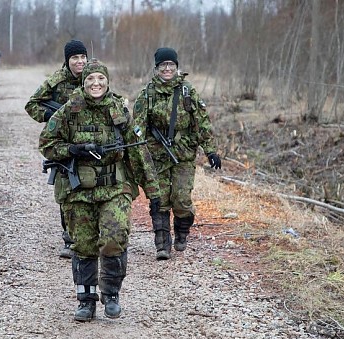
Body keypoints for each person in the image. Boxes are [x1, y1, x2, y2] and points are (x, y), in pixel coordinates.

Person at [39, 59, 160, 322]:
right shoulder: (68, 111)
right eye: (91, 80)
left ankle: (112, 294)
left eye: (101, 80)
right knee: (82, 244)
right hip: (79, 191)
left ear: (107, 82)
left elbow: (138, 151)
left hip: (114, 187)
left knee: (115, 237)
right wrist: (73, 149)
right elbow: (47, 145)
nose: (96, 84)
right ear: (84, 83)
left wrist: (154, 192)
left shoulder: (119, 110)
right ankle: (86, 300)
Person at [132, 47, 221, 260]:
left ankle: (182, 232)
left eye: (171, 65)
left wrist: (210, 151)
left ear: (177, 67)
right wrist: (137, 156)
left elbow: (202, 122)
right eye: (163, 65)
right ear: (156, 69)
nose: (167, 68)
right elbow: (137, 128)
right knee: (159, 200)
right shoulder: (147, 94)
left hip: (183, 154)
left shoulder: (187, 92)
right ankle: (162, 245)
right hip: (157, 155)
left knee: (181, 199)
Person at [25, 40, 88, 259]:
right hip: (63, 143)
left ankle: (89, 236)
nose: (79, 62)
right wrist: (52, 117)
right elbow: (31, 104)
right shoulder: (57, 81)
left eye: (82, 57)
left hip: (88, 141)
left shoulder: (94, 78)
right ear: (67, 60)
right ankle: (69, 240)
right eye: (74, 58)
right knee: (67, 191)